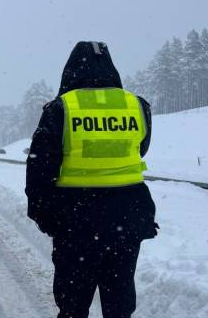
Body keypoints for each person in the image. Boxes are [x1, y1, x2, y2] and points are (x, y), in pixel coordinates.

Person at [26, 41, 158, 318]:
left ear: (71, 70)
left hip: (76, 222)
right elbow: (140, 148)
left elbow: (39, 169)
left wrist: (44, 215)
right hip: (127, 218)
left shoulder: (61, 108)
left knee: (73, 303)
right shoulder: (137, 105)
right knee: (119, 301)